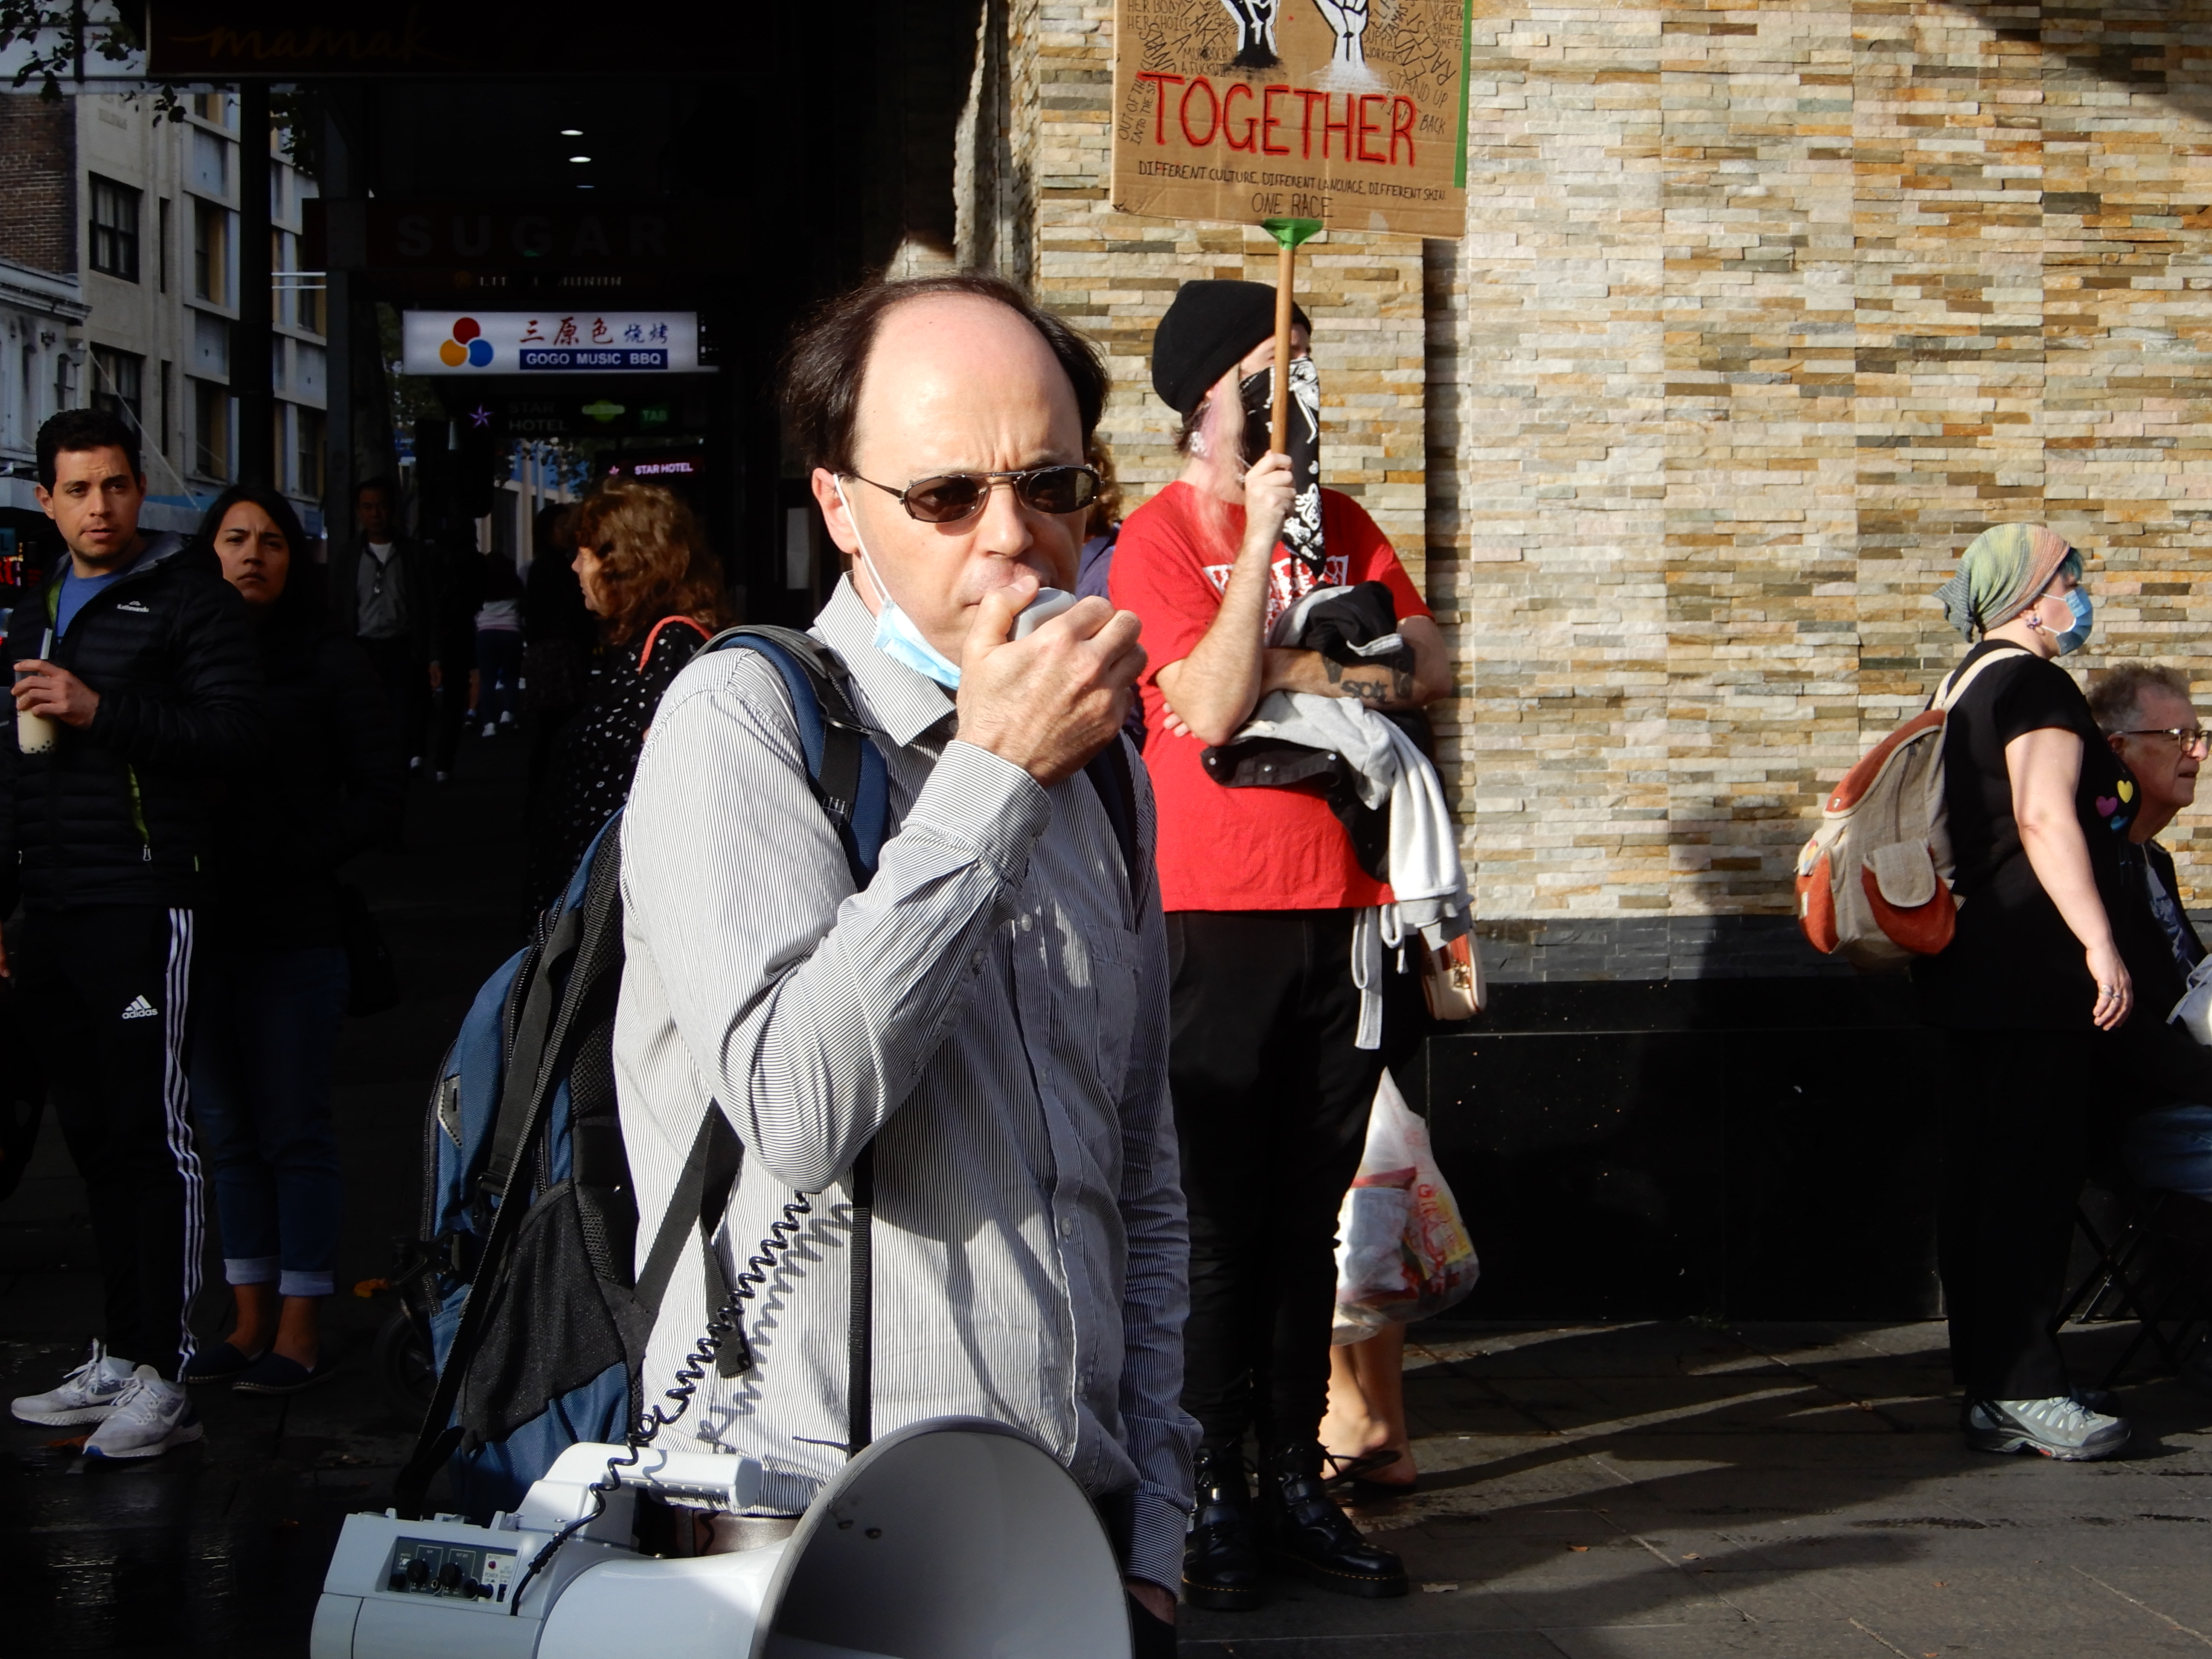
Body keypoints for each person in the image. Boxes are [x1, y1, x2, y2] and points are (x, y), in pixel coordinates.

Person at [614, 272, 1190, 1652]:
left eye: (1051, 482)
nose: (1014, 537)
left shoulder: (1101, 770)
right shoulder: (742, 725)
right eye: (946, 496)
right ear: (840, 509)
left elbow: (1141, 1165)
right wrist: (988, 773)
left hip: (1072, 1531)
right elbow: (800, 1105)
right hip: (807, 1533)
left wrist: (1157, 1520)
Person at [1107, 280, 1453, 1608]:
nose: (1287, 398)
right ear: (1201, 405)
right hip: (1210, 917)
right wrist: (1260, 548)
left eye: (1300, 370)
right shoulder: (1153, 542)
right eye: (1262, 376)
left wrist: (1308, 662)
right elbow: (1200, 700)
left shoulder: (1352, 525)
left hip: (1348, 917)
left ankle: (1294, 1476)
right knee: (1208, 1220)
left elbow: (1423, 666)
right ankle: (1201, 1491)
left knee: (1311, 1211)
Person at [1, 407, 263, 1458]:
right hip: (53, 904)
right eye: (79, 490)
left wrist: (98, 707)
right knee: (98, 1139)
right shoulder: (33, 605)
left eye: (115, 485)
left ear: (135, 491)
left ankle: (174, 1373)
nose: (101, 506)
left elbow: (236, 737)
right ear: (46, 499)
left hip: (148, 897)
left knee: (162, 1139)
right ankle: (122, 1351)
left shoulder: (189, 598)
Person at [1918, 525, 2212, 1461]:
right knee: (2026, 1189)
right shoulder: (2034, 685)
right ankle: (2024, 1391)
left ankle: (1997, 1385)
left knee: (1983, 1185)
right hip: (2031, 975)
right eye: (2068, 579)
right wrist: (2099, 942)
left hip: (1969, 973)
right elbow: (2048, 817)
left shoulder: (1963, 682)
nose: (2079, 595)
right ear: (2029, 593)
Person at [178, 484, 403, 1394]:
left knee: (294, 1130)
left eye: (271, 541)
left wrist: (294, 856)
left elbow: (380, 795)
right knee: (225, 1132)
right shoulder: (183, 657)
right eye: (234, 539)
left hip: (297, 929)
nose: (251, 555)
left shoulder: (329, 661)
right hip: (202, 927)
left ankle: (302, 1325)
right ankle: (247, 1317)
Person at [522, 481, 729, 911]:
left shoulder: (671, 646)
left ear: (626, 563)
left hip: (617, 922)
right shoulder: (649, 646)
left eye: (586, 553)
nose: (576, 567)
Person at [2087, 665, 2212, 1196]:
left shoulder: (2152, 860)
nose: (2199, 754)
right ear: (2118, 749)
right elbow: (2124, 1032)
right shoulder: (2094, 873)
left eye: (2201, 737)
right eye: (2180, 737)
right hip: (2149, 1121)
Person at [328, 477, 435, 775]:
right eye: (368, 507)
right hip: (362, 647)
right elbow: (338, 605)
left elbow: (428, 605)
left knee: (402, 714)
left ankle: (398, 766)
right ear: (359, 512)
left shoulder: (413, 554)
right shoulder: (350, 556)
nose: (376, 514)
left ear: (393, 509)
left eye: (382, 506)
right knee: (363, 713)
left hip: (402, 647)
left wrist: (431, 655)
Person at [470, 551, 525, 740]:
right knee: (511, 678)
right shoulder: (516, 585)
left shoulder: (481, 585)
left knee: (488, 681)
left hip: (486, 634)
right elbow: (524, 609)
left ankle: (489, 724)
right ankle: (508, 713)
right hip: (511, 632)